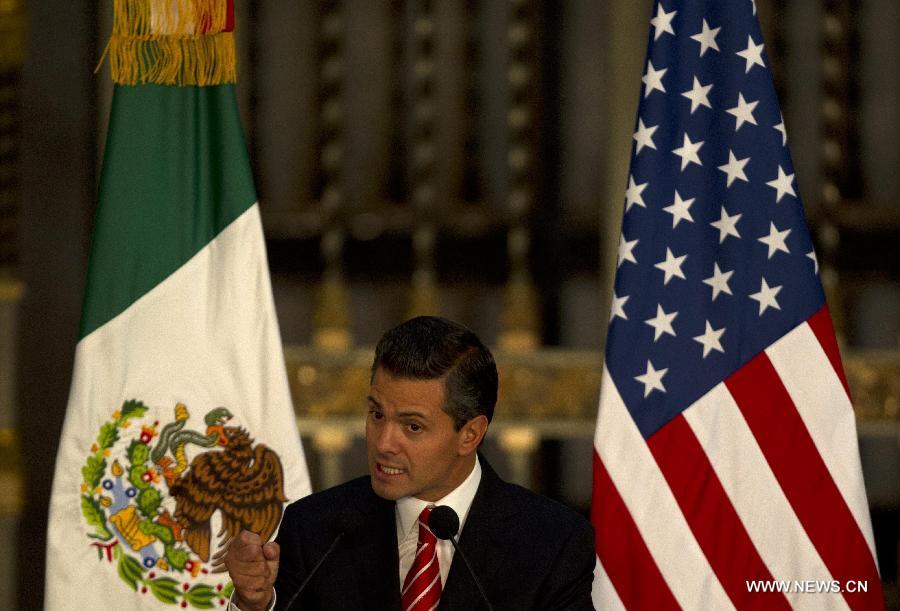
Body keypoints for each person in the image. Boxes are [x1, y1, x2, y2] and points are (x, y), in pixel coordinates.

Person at [225, 316, 596, 610]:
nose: (384, 443)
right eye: (376, 414)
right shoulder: (317, 530)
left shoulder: (551, 542)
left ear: (470, 434)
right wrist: (254, 605)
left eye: (412, 426)